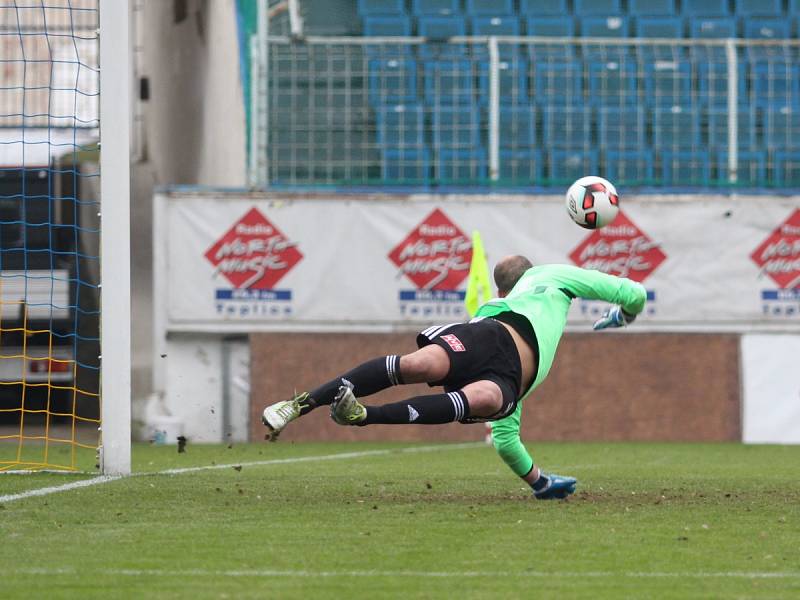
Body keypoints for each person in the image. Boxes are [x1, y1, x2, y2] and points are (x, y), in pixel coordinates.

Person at [261, 256, 647, 500]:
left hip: (507, 376)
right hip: (492, 336)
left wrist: (540, 483)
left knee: (478, 396)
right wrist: (624, 315)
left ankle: (360, 416)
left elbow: (506, 439)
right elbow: (633, 292)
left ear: (501, 287)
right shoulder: (541, 280)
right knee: (422, 368)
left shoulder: (513, 295)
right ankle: (297, 406)